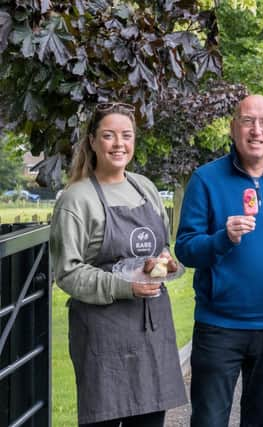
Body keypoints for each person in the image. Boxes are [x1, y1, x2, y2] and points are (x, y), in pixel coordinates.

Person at [175, 94, 263, 427]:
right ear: (232, 128)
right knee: (209, 420)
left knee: (262, 420)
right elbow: (185, 249)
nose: (257, 131)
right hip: (219, 326)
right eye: (247, 121)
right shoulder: (206, 179)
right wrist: (223, 238)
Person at [50, 102, 187, 426]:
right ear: (93, 142)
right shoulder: (76, 199)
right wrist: (124, 287)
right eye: (109, 135)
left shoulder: (146, 188)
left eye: (126, 135)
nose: (118, 144)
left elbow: (161, 246)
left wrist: (164, 260)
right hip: (103, 340)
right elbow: (67, 272)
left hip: (152, 333)